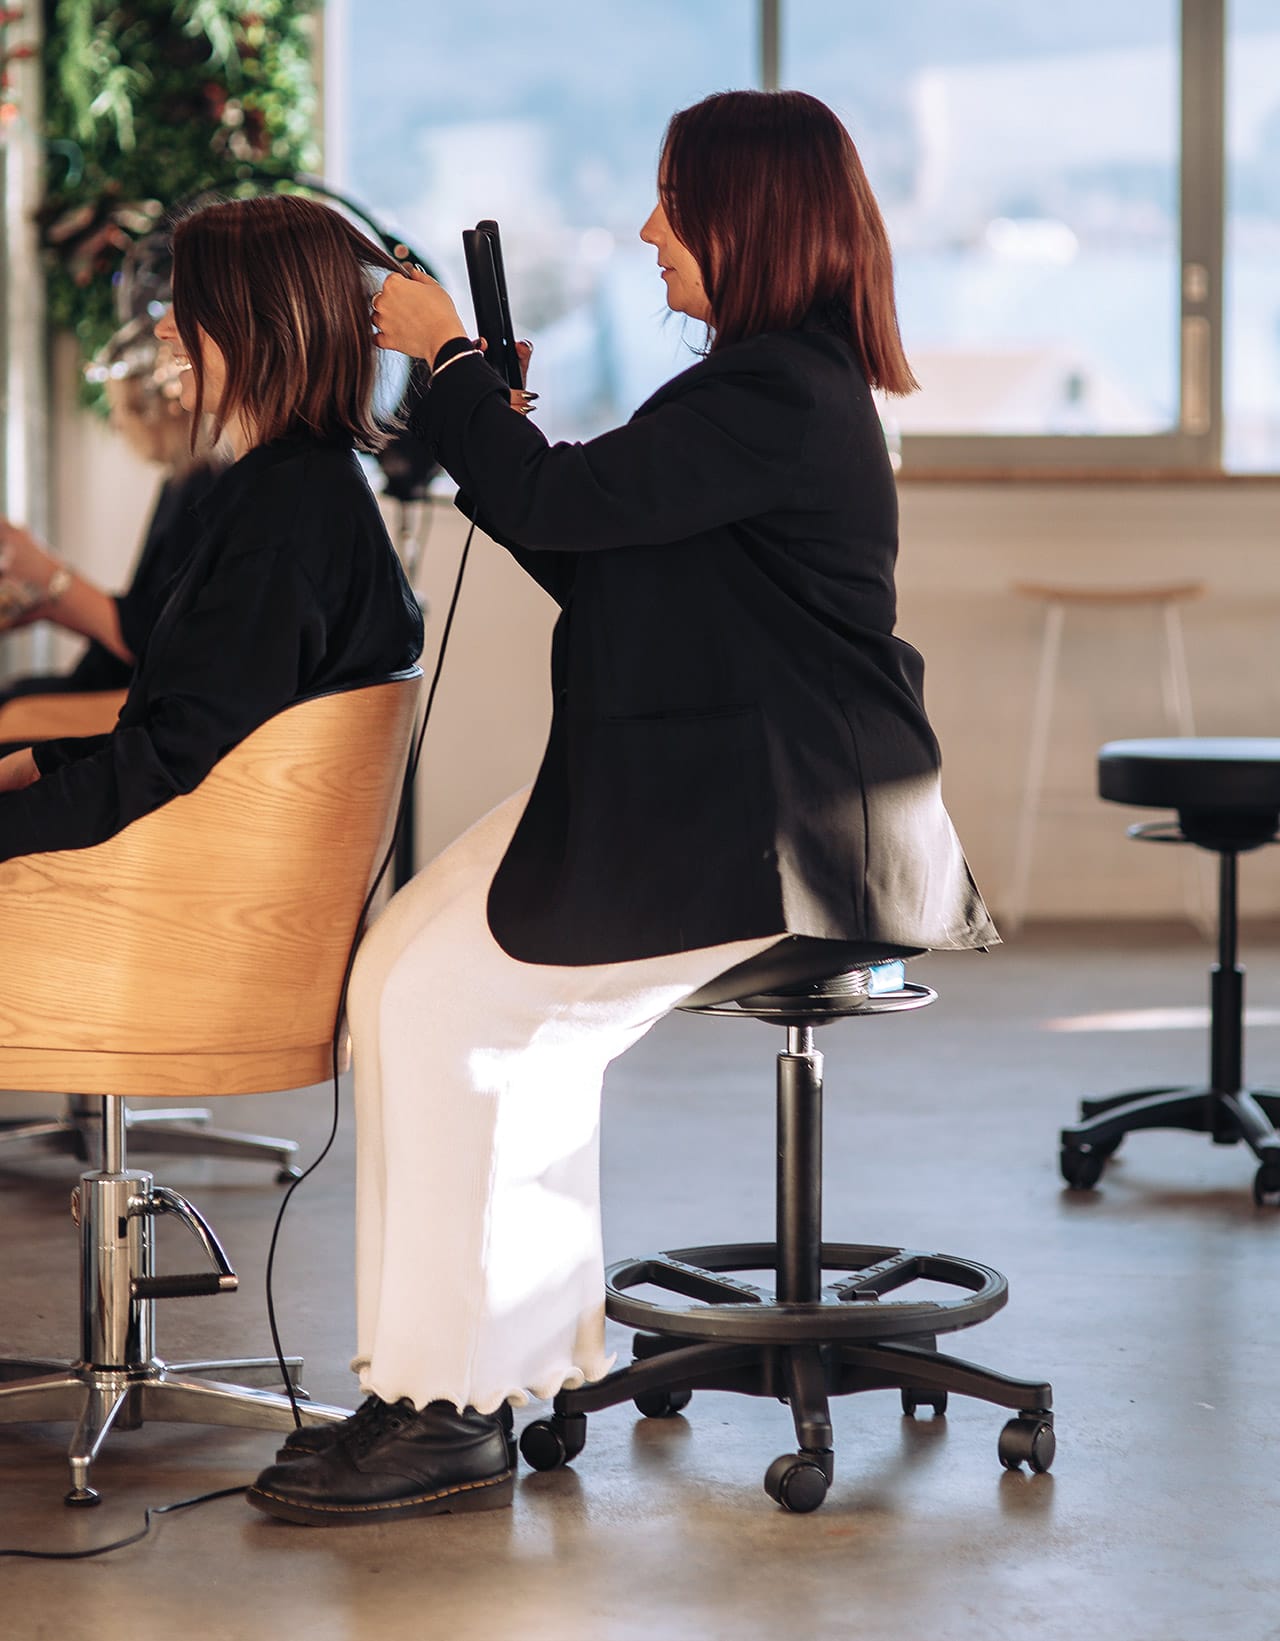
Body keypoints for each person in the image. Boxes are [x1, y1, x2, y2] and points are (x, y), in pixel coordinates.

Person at [246, 89, 997, 1529]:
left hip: (787, 834)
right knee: (401, 974)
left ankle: (454, 1404)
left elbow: (564, 509)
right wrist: (491, 423)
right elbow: (590, 548)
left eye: (674, 204)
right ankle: (448, 1376)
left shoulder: (777, 393)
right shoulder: (757, 389)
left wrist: (449, 363)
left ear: (746, 222)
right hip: (710, 795)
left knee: (450, 1009)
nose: (651, 232)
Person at [0, 194, 423, 857]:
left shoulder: (283, 522)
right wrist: (42, 762)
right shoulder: (301, 490)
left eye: (189, 305)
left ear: (261, 324)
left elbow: (166, 772)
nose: (166, 329)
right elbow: (187, 735)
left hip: (184, 885)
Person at [0, 319, 224, 709]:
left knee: (12, 704)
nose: (117, 424)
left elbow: (153, 638)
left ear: (160, 408)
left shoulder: (203, 490)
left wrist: (50, 576)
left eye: (122, 409)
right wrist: (47, 606)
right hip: (121, 685)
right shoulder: (178, 485)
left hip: (136, 702)